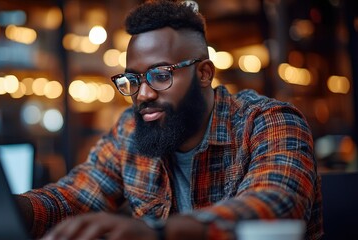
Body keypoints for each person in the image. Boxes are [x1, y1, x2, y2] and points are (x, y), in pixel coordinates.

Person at [16, 0, 323, 239]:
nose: (143, 94)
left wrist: (161, 233)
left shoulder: (269, 122)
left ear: (204, 73)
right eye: (133, 79)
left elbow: (274, 207)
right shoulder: (130, 130)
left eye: (160, 75)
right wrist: (13, 209)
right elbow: (74, 197)